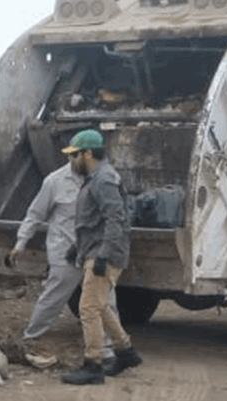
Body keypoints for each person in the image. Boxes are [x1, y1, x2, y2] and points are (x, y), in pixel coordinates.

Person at [5, 163, 119, 369]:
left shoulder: (106, 179)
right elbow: (35, 214)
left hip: (94, 251)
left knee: (104, 301)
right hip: (64, 252)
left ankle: (108, 351)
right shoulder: (54, 181)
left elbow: (114, 216)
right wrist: (20, 244)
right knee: (55, 295)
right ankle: (31, 337)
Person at [59, 129, 143, 385]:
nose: (71, 161)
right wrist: (78, 247)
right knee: (101, 305)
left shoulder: (103, 180)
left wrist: (103, 256)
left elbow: (115, 219)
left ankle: (93, 365)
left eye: (74, 155)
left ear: (87, 154)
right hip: (94, 250)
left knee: (88, 308)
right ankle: (126, 352)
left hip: (103, 254)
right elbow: (93, 222)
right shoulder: (94, 178)